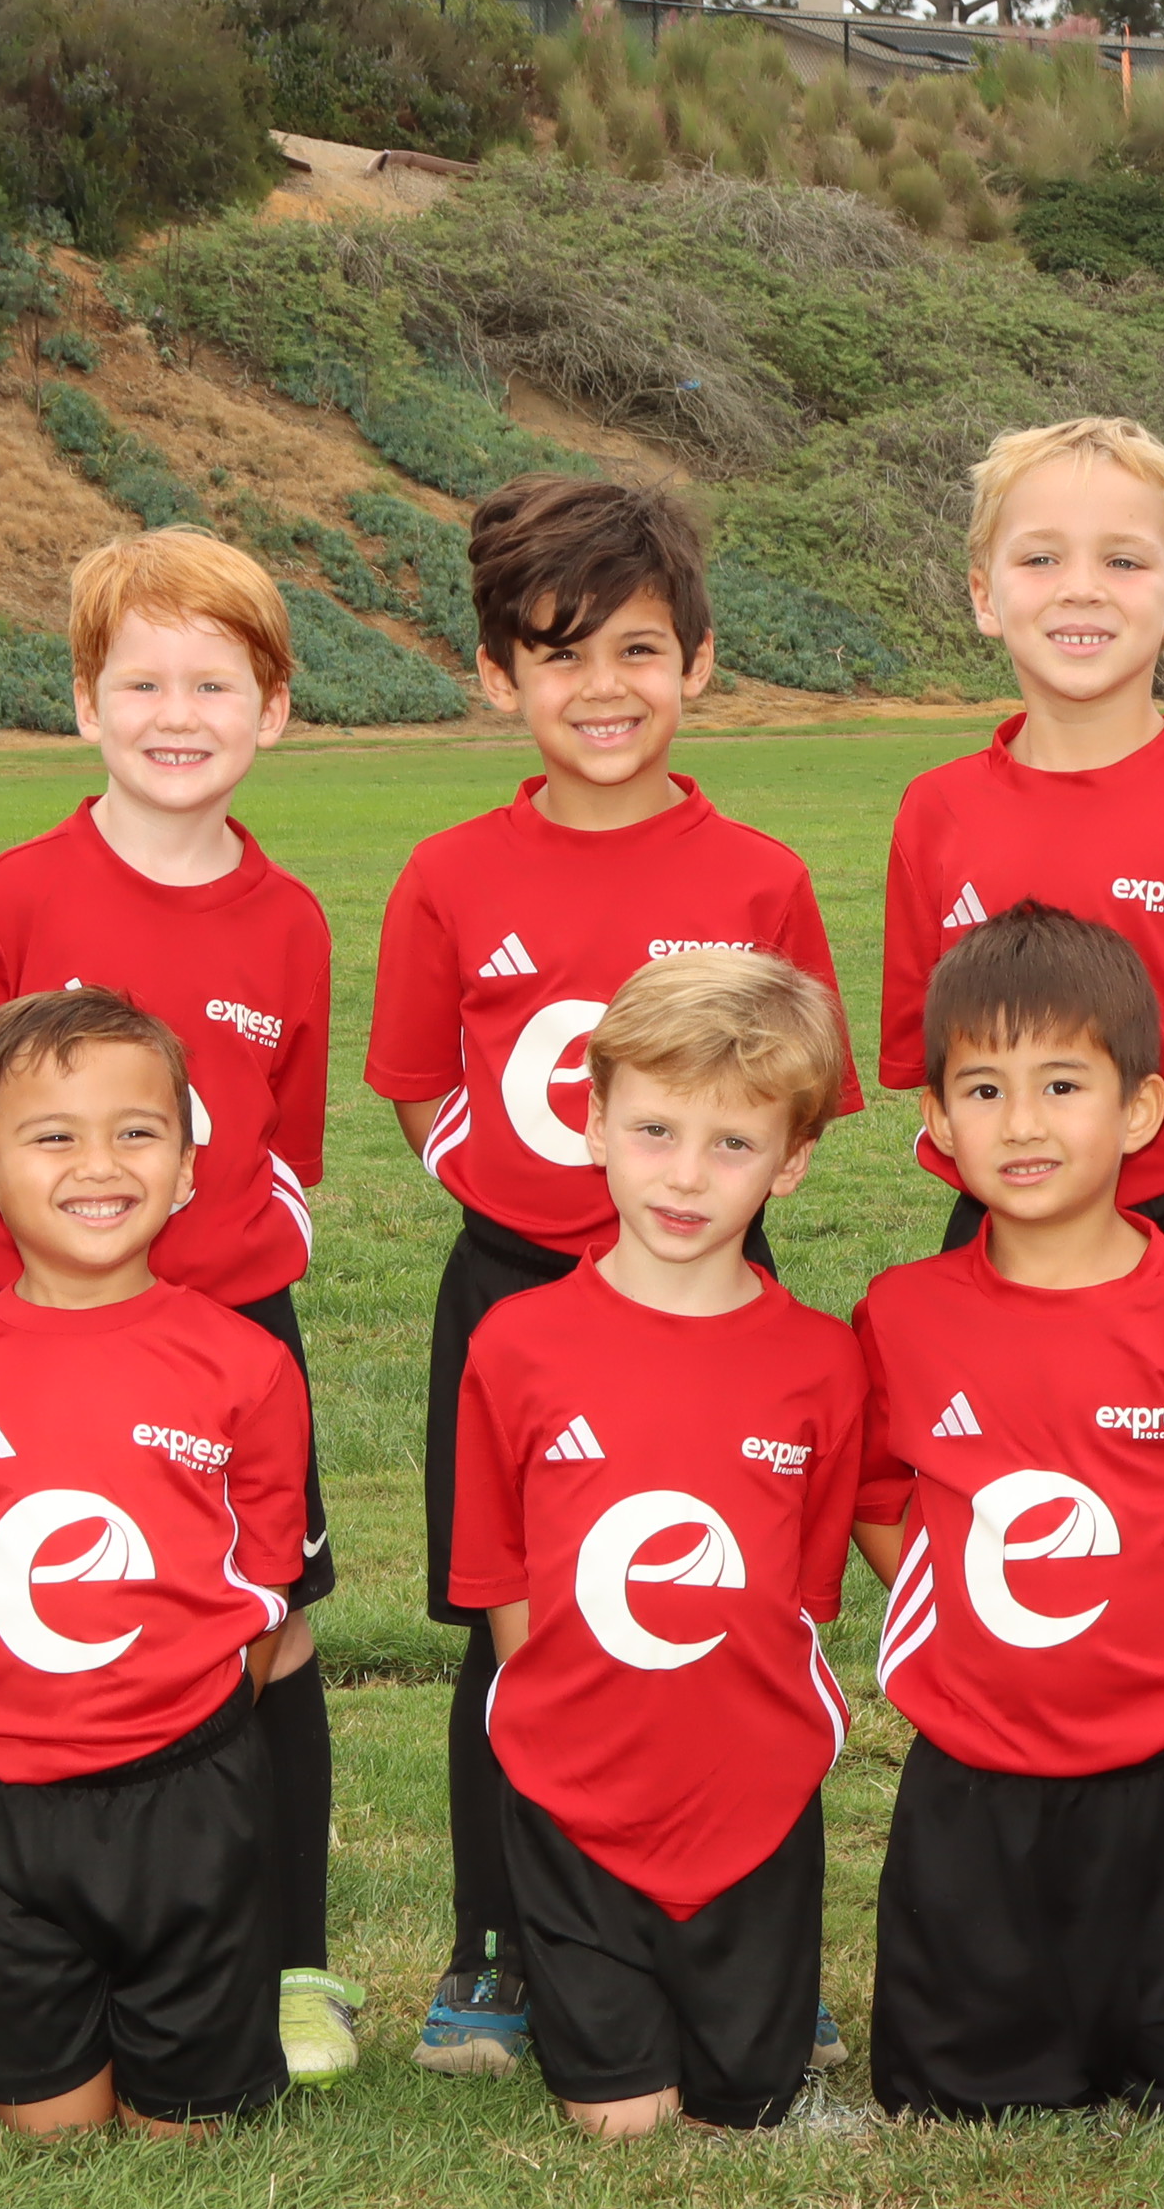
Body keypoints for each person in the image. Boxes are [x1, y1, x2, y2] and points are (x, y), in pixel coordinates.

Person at [362, 474, 852, 2081]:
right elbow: (422, 1087)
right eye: (558, 654)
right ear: (497, 674)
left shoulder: (760, 878)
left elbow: (798, 1092)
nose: (602, 688)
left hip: (714, 1305)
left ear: (697, 661)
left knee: (726, 1610)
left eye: (638, 649)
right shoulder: (448, 873)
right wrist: (520, 1216)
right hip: (513, 1296)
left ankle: (757, 1953)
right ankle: (499, 1948)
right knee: (507, 1616)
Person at [0, 529, 350, 2097]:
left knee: (270, 1631)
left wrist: (240, 1268)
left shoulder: (290, 919)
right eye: (141, 683)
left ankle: (284, 1961)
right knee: (8, 1623)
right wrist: (29, 1268)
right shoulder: (15, 896)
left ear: (273, 711)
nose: (176, 714)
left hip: (231, 1341)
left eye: (215, 684)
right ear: (85, 705)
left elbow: (283, 1139)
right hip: (45, 1347)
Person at [847, 905, 1164, 2116]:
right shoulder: (901, 1317)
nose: (1022, 1123)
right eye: (983, 1089)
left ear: (1139, 1108)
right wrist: (970, 1602)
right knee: (958, 2102)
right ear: (937, 1121)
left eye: (1063, 1083)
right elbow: (874, 1494)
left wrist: (1153, 1622)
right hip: (973, 1785)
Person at [450, 953, 867, 2137]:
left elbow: (800, 1593)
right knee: (623, 2123)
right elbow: (501, 1578)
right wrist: (568, 1737)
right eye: (654, 1130)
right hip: (575, 1793)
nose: (686, 1175)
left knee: (747, 2106)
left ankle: (760, 2003)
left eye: (733, 1144)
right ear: (592, 1123)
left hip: (754, 1793)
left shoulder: (824, 1361)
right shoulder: (515, 1343)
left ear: (791, 1161)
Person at [0, 989, 311, 2137]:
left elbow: (267, 1579)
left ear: (185, 1167)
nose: (99, 1163)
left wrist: (192, 1729)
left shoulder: (247, 1363)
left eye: (137, 1130)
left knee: (191, 2126)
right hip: (1, 1796)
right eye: (53, 1135)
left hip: (187, 1787)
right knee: (52, 2130)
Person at [871, 417, 1164, 1309]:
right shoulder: (935, 812)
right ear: (984, 595)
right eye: (1041, 559)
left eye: (1123, 560)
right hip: (998, 1233)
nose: (1081, 588)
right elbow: (934, 1069)